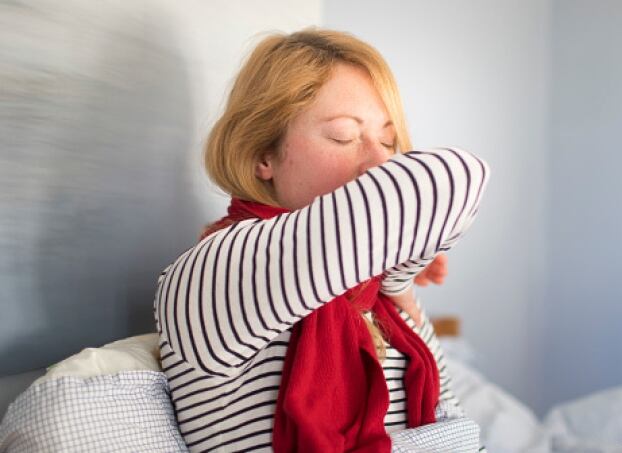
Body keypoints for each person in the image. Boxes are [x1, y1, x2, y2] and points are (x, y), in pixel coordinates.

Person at [153, 27, 490, 452]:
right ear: (263, 155)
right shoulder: (213, 270)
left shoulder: (379, 295)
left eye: (389, 140)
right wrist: (400, 274)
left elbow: (452, 424)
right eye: (343, 136)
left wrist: (396, 274)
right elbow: (455, 176)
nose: (382, 161)